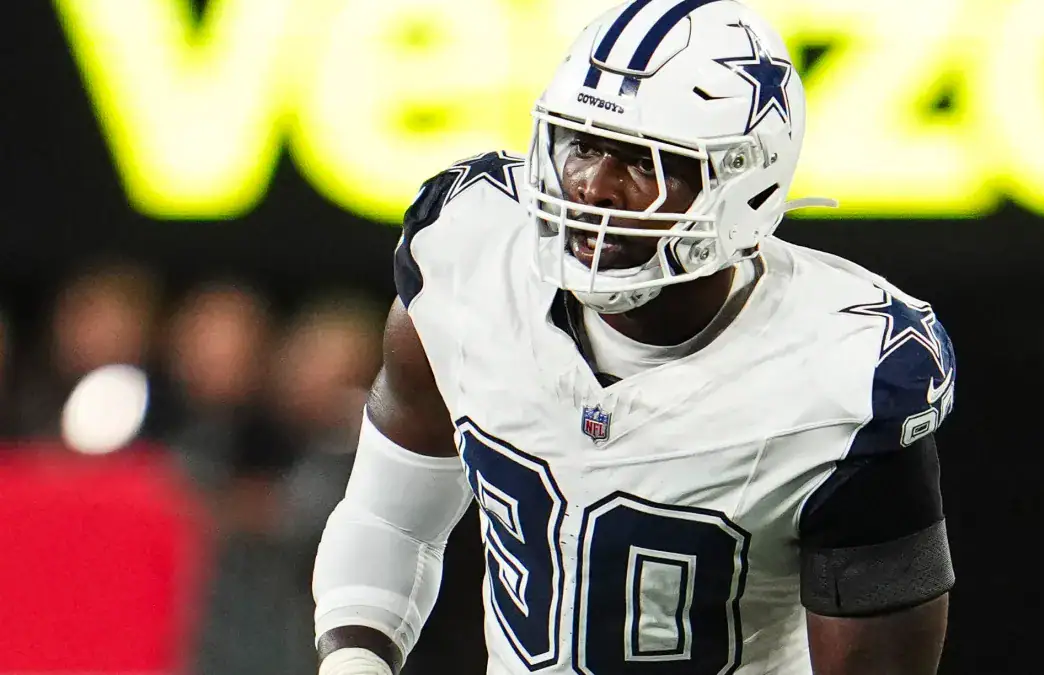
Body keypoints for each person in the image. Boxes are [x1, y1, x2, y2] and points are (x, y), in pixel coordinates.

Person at [311, 1, 958, 674]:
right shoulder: (468, 251)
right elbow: (391, 522)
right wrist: (355, 660)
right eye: (583, 144)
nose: (593, 185)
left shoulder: (845, 375)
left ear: (745, 186)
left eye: (644, 163)